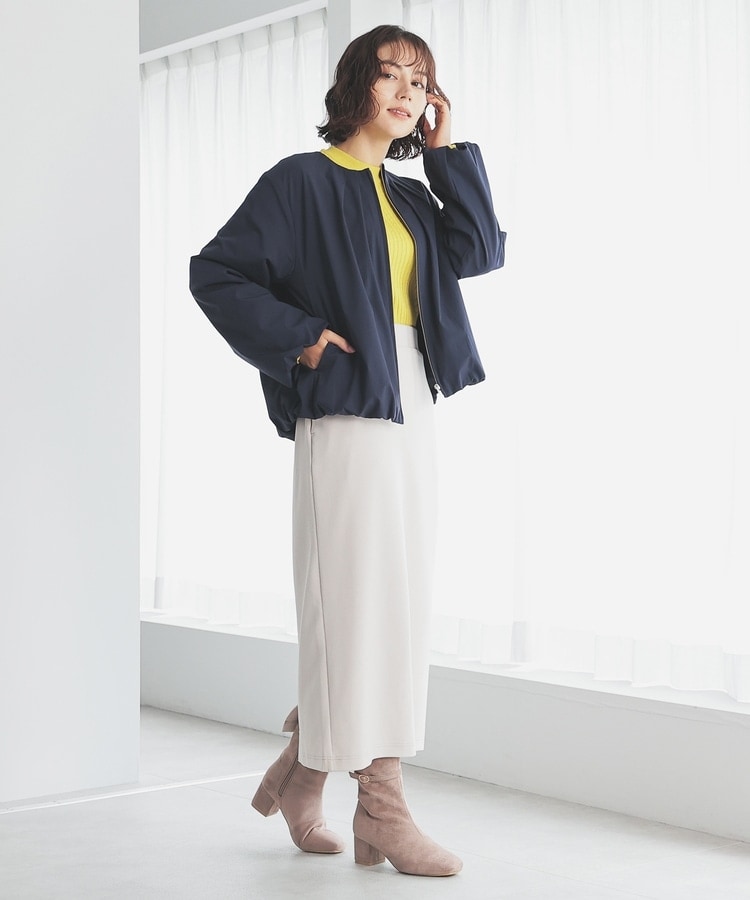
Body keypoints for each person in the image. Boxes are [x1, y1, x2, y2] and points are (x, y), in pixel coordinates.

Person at [189, 23, 505, 877]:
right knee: (354, 602)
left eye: (420, 81)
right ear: (355, 83)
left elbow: (481, 250)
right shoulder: (300, 181)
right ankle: (382, 807)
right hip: (347, 403)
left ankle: (305, 771)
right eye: (391, 74)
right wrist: (301, 340)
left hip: (414, 403)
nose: (407, 91)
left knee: (396, 601)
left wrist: (445, 154)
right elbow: (216, 272)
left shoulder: (411, 197)